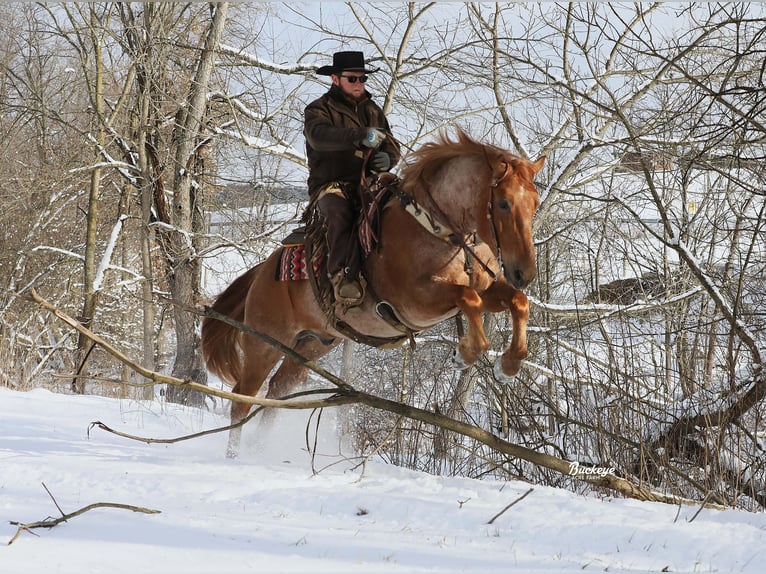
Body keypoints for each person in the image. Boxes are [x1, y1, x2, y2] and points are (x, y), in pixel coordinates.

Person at [304, 51, 400, 306]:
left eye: (363, 78)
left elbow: (392, 145)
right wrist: (357, 135)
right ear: (335, 79)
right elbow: (319, 137)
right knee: (339, 212)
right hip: (331, 185)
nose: (359, 83)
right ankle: (341, 277)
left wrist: (388, 160)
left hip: (370, 183)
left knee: (402, 207)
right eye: (352, 78)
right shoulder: (317, 109)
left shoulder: (373, 110)